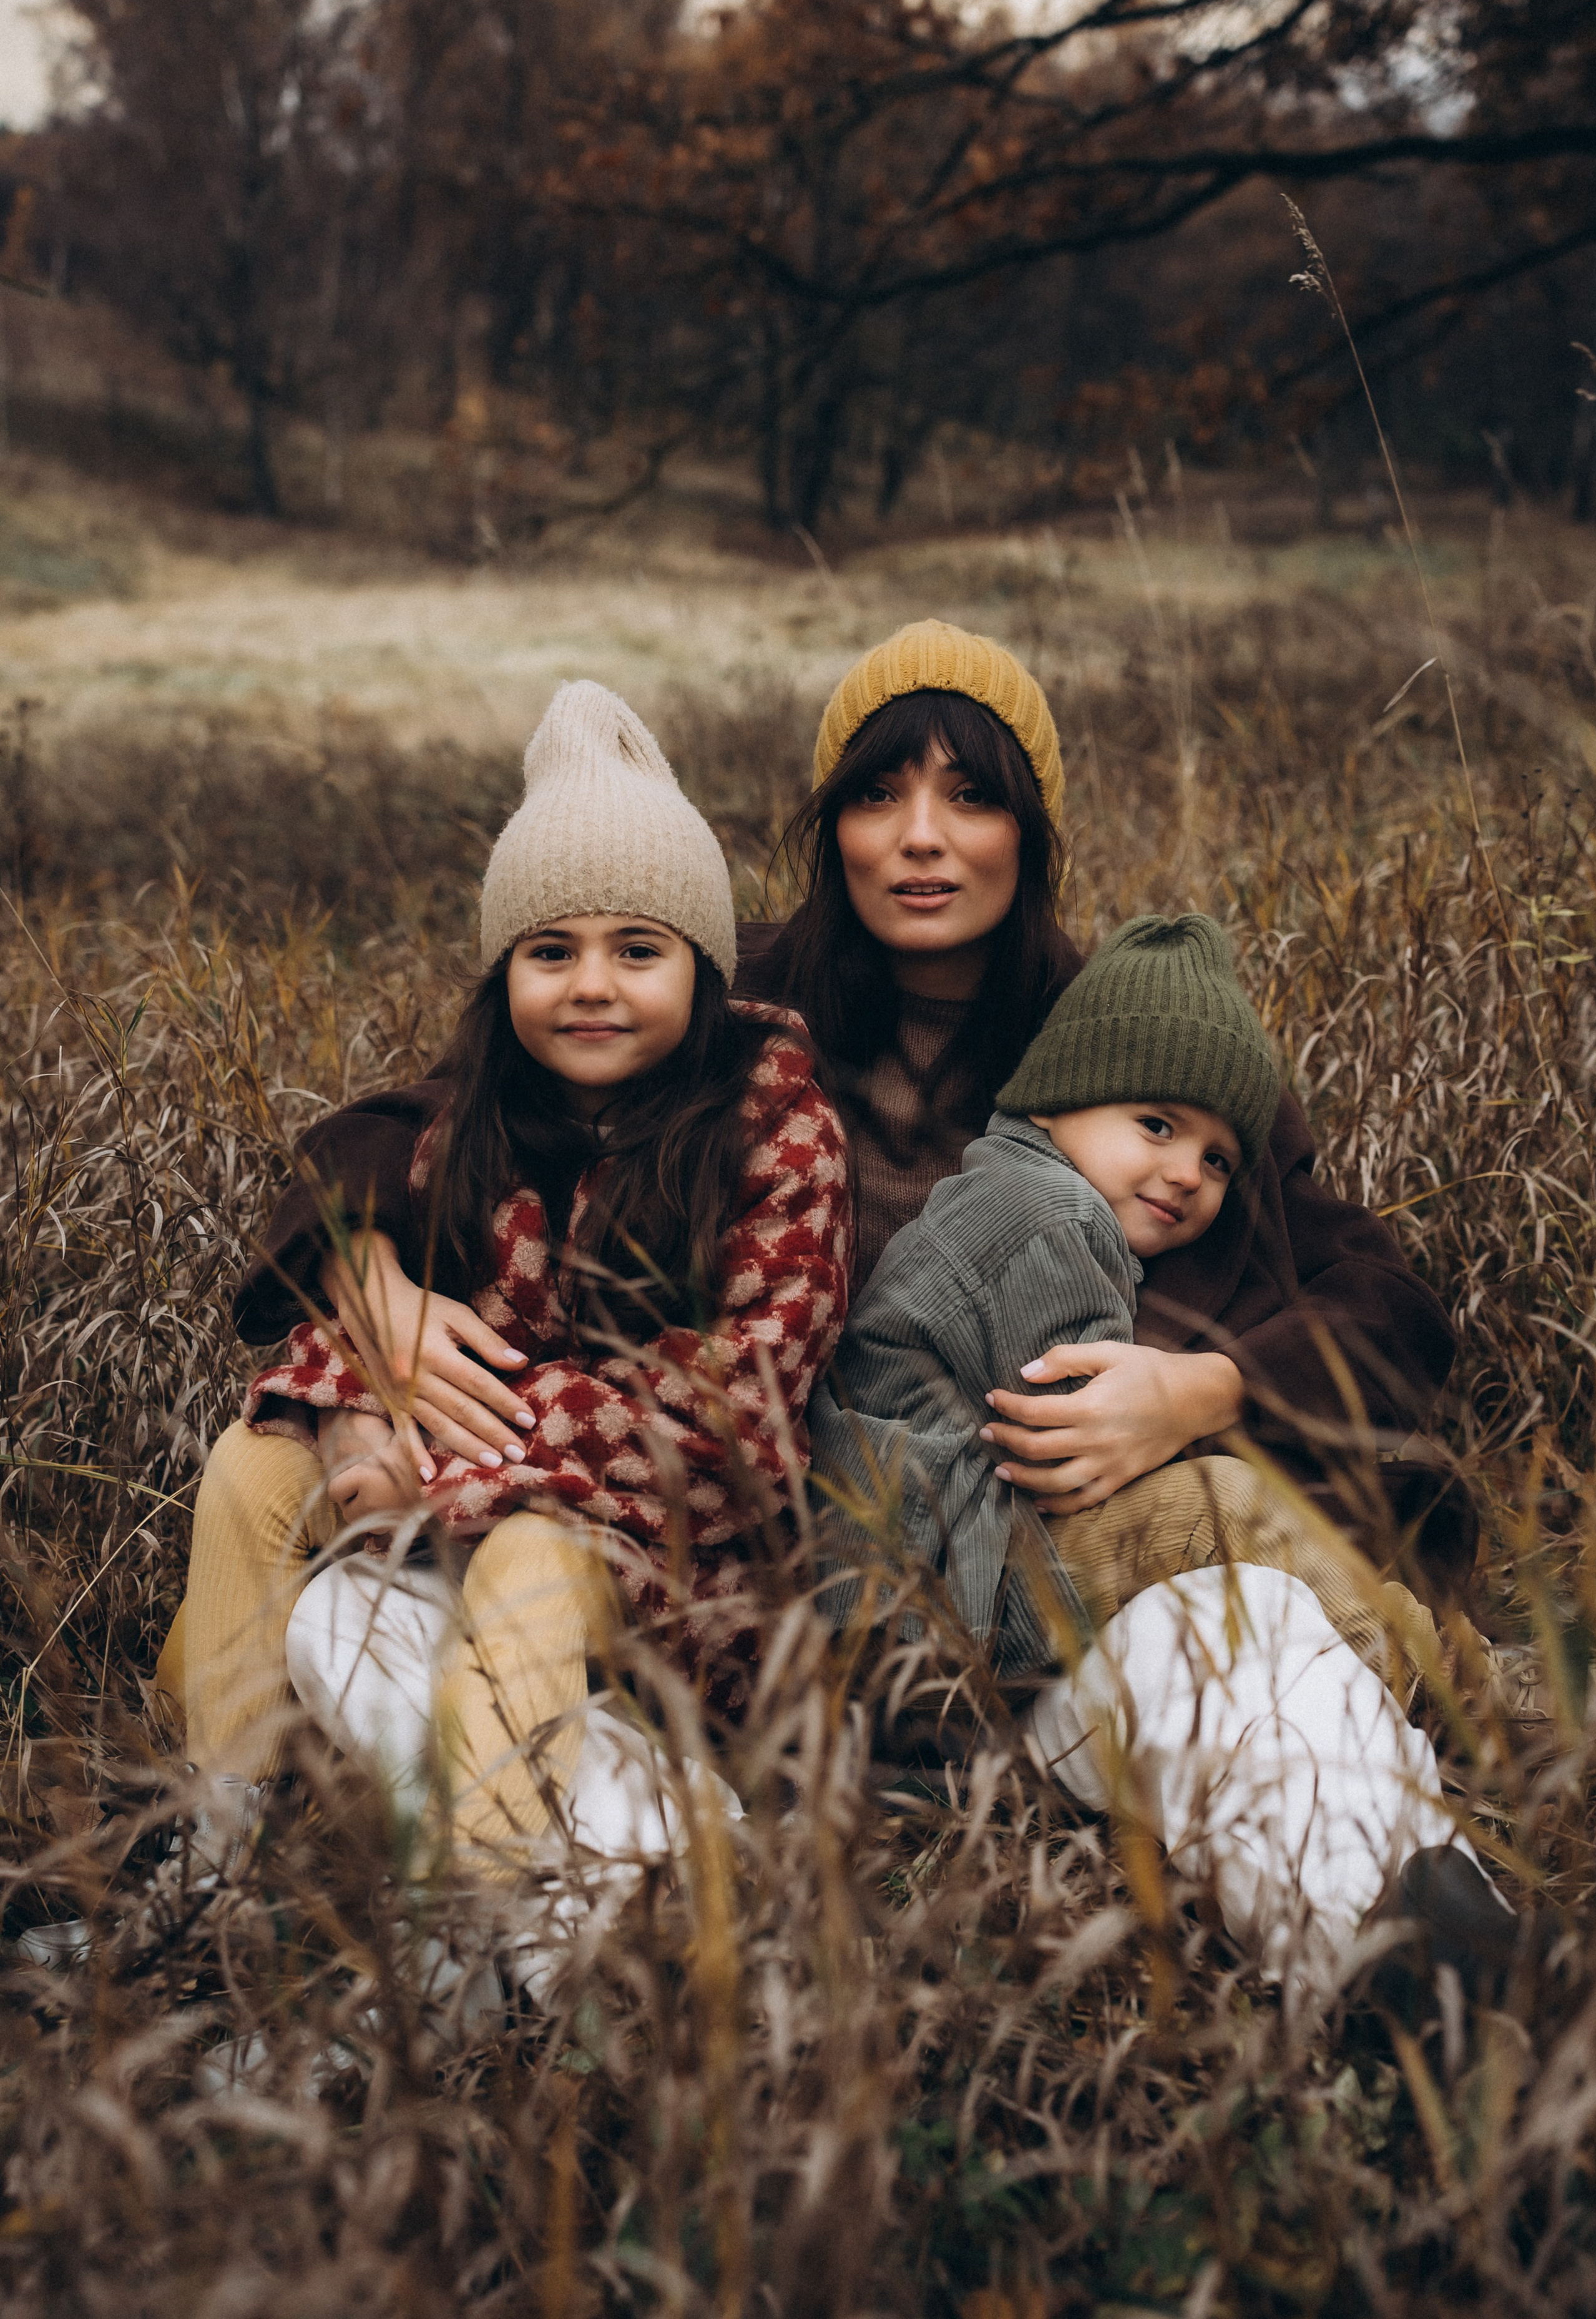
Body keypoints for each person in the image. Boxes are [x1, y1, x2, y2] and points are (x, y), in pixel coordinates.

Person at [267, 620, 1467, 1620]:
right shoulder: (729, 999)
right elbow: (405, 1124)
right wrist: (371, 1277)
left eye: (972, 795)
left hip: (1022, 1542)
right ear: (833, 824)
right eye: (879, 795)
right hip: (737, 1542)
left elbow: (1380, 1296)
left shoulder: (1116, 1038)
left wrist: (1204, 1390)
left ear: (1030, 830)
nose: (921, 838)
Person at [157, 683, 851, 1874]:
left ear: (704, 971)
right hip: (489, 1495)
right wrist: (361, 1417)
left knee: (530, 1561)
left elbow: (738, 1412)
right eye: (550, 952)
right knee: (252, 1466)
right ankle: (220, 1841)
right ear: (503, 973)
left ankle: (483, 1897)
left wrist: (458, 1458)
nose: (591, 985)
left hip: (691, 1566)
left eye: (638, 950)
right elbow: (412, 1330)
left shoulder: (775, 1130)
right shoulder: (473, 1124)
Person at [810, 910, 1483, 1979]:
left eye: (1218, 1158)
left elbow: (1393, 1309)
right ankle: (1428, 1679)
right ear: (1058, 1096)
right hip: (951, 1576)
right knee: (1221, 1509)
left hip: (948, 1562)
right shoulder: (1046, 1218)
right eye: (1155, 1125)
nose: (1187, 1174)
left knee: (1229, 1540)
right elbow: (1073, 1460)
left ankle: (1425, 1828)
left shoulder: (1024, 1192)